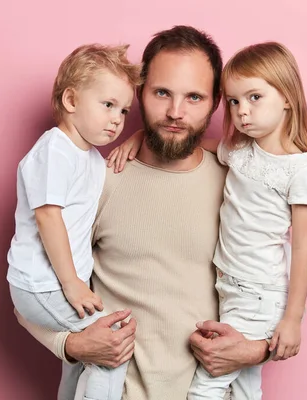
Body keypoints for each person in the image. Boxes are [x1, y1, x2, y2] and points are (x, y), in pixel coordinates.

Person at [15, 26, 273, 400]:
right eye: (162, 92)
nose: (175, 112)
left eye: (194, 97)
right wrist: (70, 346)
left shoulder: (241, 184)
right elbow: (30, 291)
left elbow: (274, 289)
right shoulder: (96, 181)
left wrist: (255, 350)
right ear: (139, 94)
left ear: (216, 102)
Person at [108, 42, 307, 399]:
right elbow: (195, 143)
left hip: (257, 291)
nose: (242, 112)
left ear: (287, 98)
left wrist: (291, 321)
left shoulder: (293, 171)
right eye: (236, 102)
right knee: (244, 386)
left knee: (208, 387)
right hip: (230, 287)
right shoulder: (238, 155)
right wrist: (141, 134)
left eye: (255, 98)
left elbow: (303, 249)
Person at [6, 43, 141, 400]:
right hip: (42, 283)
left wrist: (138, 138)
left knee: (84, 356)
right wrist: (72, 284)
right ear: (71, 101)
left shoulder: (93, 159)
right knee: (112, 348)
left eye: (124, 110)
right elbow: (48, 217)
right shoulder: (55, 149)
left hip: (61, 282)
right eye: (108, 105)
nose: (117, 119)